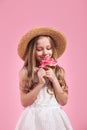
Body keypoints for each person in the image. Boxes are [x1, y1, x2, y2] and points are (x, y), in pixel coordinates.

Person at [15, 27, 73, 130]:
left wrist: (54, 79)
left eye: (48, 48)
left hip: (54, 119)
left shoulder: (59, 71)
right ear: (32, 51)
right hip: (33, 119)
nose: (45, 52)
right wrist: (40, 83)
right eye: (39, 49)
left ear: (52, 49)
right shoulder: (26, 72)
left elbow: (63, 101)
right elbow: (24, 102)